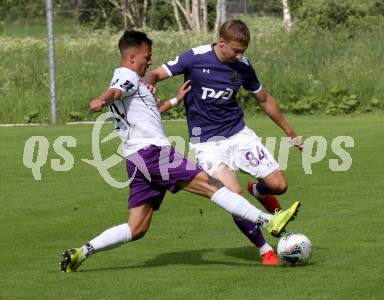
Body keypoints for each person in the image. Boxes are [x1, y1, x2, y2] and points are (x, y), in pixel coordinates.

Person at [60, 30, 300, 272]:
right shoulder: (127, 77)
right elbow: (114, 92)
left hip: (136, 160)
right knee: (213, 187)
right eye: (147, 56)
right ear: (132, 57)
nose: (150, 61)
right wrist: (101, 100)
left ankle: (82, 252)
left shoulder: (132, 81)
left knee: (137, 228)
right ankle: (270, 221)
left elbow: (148, 113)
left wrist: (175, 100)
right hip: (155, 154)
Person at [143, 20, 303, 265]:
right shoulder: (195, 58)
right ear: (221, 42)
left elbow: (264, 99)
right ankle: (264, 250)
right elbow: (156, 72)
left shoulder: (243, 66)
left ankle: (259, 190)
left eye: (244, 51)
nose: (240, 55)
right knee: (233, 195)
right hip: (206, 143)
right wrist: (150, 83)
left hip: (238, 134)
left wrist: (289, 131)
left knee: (279, 185)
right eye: (236, 50)